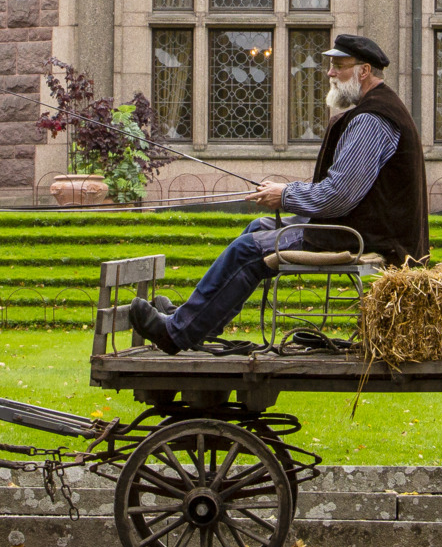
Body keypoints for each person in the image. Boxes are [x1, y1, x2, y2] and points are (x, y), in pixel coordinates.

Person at [129, 33, 427, 354]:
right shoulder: (376, 110)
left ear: (364, 71)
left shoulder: (371, 119)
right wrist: (284, 194)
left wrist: (284, 194)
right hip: (364, 230)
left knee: (247, 250)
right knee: (258, 229)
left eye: (338, 66)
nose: (329, 74)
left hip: (363, 237)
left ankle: (177, 333)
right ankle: (196, 320)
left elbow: (338, 195)